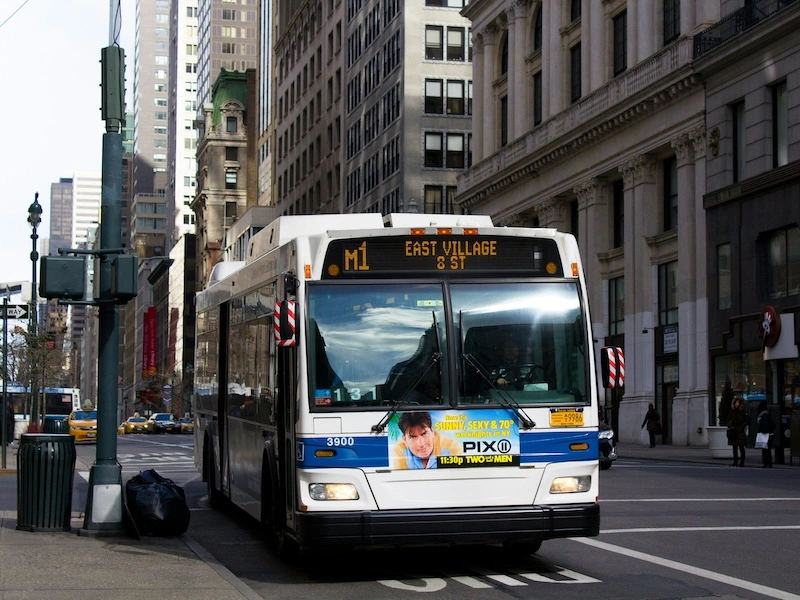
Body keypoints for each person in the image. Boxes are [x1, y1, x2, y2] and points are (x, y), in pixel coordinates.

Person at [391, 411, 460, 469]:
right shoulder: (399, 450)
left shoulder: (452, 447)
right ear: (404, 439)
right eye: (413, 437)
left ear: (432, 431)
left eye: (424, 434)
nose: (421, 443)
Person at [727, 396, 748, 467]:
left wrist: (741, 426)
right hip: (734, 431)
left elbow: (746, 421)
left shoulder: (743, 412)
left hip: (740, 431)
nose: (737, 404)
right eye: (736, 402)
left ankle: (742, 462)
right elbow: (728, 420)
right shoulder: (732, 412)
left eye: (738, 402)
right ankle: (735, 461)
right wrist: (730, 426)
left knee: (741, 447)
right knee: (734, 447)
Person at [757, 400, 775, 468]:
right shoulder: (766, 415)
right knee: (767, 450)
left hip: (765, 434)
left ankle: (766, 463)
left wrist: (762, 431)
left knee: (765, 450)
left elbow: (764, 425)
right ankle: (768, 463)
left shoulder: (763, 416)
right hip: (769, 434)